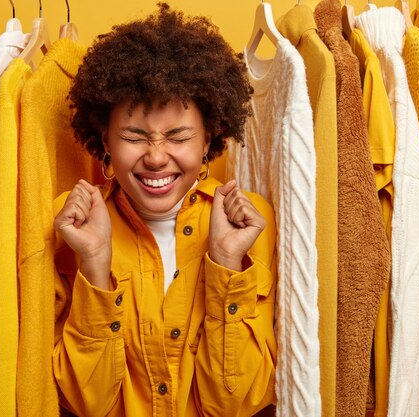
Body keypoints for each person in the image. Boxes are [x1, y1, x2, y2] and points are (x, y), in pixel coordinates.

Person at [52, 4, 277, 416]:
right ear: (105, 140)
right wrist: (95, 265)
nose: (156, 158)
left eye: (178, 136)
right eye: (135, 136)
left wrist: (227, 262)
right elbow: (87, 404)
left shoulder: (252, 223)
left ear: (208, 140)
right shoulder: (69, 229)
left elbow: (234, 404)